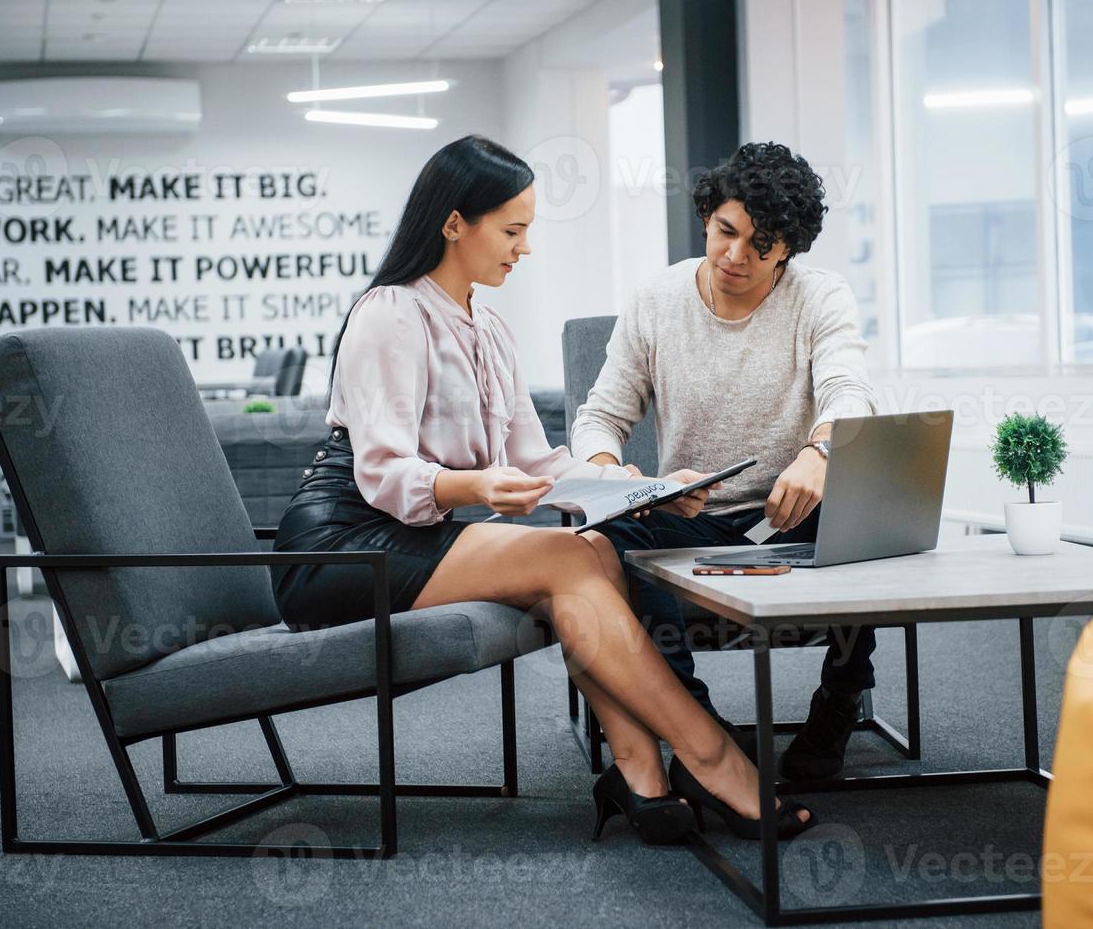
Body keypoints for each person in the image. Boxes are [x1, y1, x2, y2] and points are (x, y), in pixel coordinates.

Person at [270, 135, 814, 844]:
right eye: (511, 230)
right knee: (569, 557)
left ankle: (638, 773)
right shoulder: (390, 314)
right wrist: (473, 483)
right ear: (454, 222)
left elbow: (543, 462)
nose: (522, 249)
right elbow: (380, 473)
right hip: (339, 545)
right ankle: (712, 757)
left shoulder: (486, 327)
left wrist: (649, 488)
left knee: (586, 551)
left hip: (412, 538)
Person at [571, 141, 879, 781]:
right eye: (725, 232)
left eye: (760, 244)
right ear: (708, 219)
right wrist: (618, 476)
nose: (736, 256)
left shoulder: (819, 296)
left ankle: (839, 701)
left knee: (869, 512)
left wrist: (821, 453)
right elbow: (601, 417)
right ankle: (698, 721)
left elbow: (850, 390)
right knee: (605, 535)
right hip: (694, 515)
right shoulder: (657, 300)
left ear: (788, 248)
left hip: (795, 513)